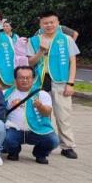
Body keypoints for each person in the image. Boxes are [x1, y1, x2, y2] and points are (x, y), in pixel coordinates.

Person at [26, 11, 79, 159]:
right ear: (40, 24)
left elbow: (73, 62)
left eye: (52, 22)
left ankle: (67, 146)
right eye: (45, 23)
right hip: (40, 81)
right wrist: (41, 51)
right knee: (42, 113)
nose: (49, 25)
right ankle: (44, 144)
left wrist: (71, 83)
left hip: (61, 81)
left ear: (57, 22)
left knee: (63, 114)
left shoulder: (67, 39)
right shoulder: (33, 40)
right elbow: (30, 62)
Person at [3, 66, 59, 164]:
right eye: (21, 77)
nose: (25, 80)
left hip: (37, 130)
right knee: (5, 138)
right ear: (15, 79)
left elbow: (47, 112)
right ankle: (13, 152)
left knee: (53, 140)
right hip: (15, 130)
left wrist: (40, 106)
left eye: (28, 78)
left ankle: (40, 154)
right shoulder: (6, 94)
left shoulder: (42, 94)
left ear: (33, 79)